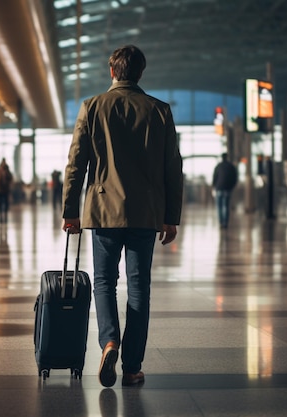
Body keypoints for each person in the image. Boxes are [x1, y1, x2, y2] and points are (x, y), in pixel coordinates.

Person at [61, 45, 183, 388]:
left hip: (102, 212)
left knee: (104, 281)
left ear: (112, 71)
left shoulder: (93, 106)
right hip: (146, 212)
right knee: (139, 286)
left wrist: (71, 211)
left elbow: (76, 164)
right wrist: (171, 215)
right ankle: (132, 367)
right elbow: (173, 167)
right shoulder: (160, 110)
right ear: (140, 73)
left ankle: (109, 340)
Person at [212, 153, 238, 229]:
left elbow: (214, 177)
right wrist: (231, 187)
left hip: (219, 188)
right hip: (227, 189)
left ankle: (221, 223)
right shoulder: (231, 166)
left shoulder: (218, 166)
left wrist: (214, 187)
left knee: (219, 207)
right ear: (227, 157)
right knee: (225, 206)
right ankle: (225, 223)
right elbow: (235, 178)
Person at [0, 158, 13, 223]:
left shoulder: (7, 170)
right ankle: (1, 217)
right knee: (0, 204)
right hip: (0, 190)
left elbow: (10, 178)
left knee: (6, 204)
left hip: (5, 190)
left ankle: (5, 217)